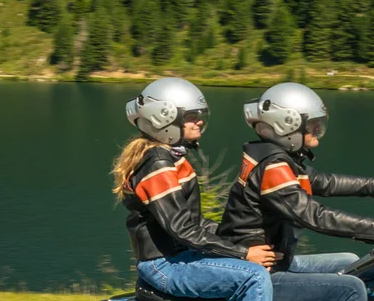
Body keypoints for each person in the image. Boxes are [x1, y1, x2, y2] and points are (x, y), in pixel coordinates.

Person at [218, 82, 374, 301]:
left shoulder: (278, 158)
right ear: (286, 125)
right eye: (312, 123)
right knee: (351, 288)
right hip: (260, 272)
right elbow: (315, 217)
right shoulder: (273, 168)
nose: (318, 128)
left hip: (277, 260)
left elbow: (326, 182)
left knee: (351, 262)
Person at [112, 77, 281, 301]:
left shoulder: (172, 158)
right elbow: (182, 229)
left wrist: (241, 239)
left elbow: (196, 223)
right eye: (191, 117)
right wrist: (244, 253)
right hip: (164, 264)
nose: (199, 122)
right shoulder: (157, 164)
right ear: (163, 120)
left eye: (199, 116)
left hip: (181, 255)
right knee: (254, 276)